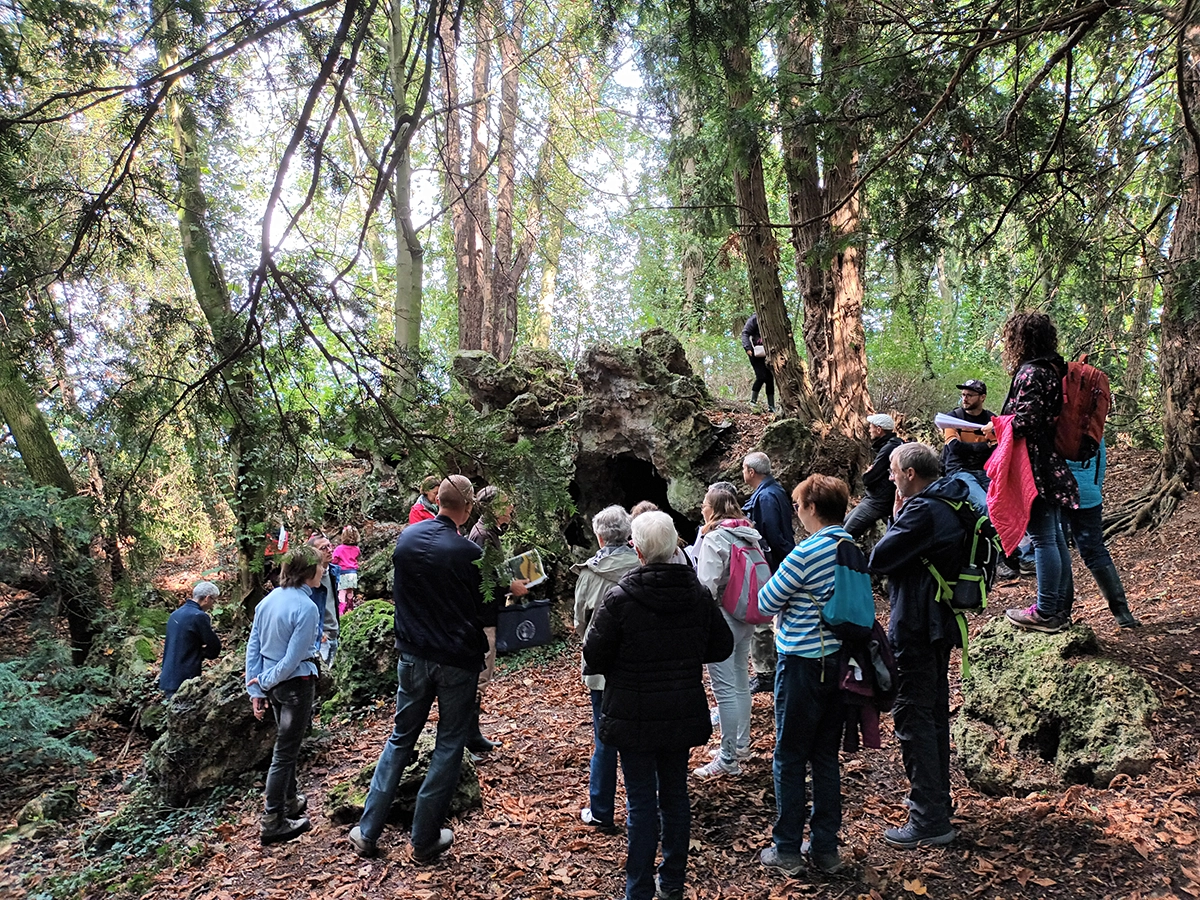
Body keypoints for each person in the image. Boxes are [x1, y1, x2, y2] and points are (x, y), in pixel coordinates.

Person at [582, 511, 733, 900]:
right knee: (675, 797)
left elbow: (593, 656)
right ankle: (672, 884)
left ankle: (639, 890)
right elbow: (721, 646)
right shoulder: (696, 593)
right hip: (680, 709)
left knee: (642, 803)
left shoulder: (620, 598)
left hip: (633, 714)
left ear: (638, 549)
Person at [350, 476, 492, 863]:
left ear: (438, 501)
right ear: (467, 508)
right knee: (448, 743)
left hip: (412, 654)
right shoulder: (466, 553)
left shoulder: (407, 539)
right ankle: (424, 838)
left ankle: (367, 831)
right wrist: (509, 593)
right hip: (455, 660)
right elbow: (483, 610)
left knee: (400, 738)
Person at [868, 443, 967, 849]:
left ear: (910, 473)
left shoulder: (922, 510)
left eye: (892, 470)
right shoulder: (951, 501)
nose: (889, 477)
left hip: (916, 625)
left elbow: (879, 557)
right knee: (932, 714)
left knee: (913, 716)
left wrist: (895, 517)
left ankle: (928, 817)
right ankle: (936, 803)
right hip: (938, 623)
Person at [754, 475, 852, 876]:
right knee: (825, 756)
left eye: (798, 506)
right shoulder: (851, 547)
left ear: (812, 508)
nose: (796, 512)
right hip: (841, 662)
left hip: (801, 664)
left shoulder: (806, 552)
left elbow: (766, 601)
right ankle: (826, 848)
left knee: (790, 756)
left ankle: (787, 848)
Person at [982, 312, 1079, 634]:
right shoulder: (1053, 370)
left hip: (1033, 467)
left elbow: (1027, 420)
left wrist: (994, 426)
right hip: (1050, 463)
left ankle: (1046, 611)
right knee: (1053, 539)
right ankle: (1059, 609)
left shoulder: (1030, 373)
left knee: (1042, 539)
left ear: (1019, 340)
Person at [245, 546, 324, 844]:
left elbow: (253, 648)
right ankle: (273, 819)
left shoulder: (268, 601)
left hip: (276, 686)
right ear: (307, 571)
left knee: (285, 747)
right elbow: (293, 658)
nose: (323, 570)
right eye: (319, 566)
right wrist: (262, 682)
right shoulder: (307, 608)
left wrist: (258, 688)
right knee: (285, 753)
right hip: (295, 684)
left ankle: (290, 801)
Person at [572, 505, 641, 834]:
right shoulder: (644, 564)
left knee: (605, 739)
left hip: (601, 669)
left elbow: (579, 623)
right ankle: (639, 810)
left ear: (599, 537)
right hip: (639, 666)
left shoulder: (589, 574)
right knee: (640, 736)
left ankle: (601, 810)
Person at [692, 486, 762, 779]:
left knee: (725, 691)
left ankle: (728, 758)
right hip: (745, 613)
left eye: (705, 504)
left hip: (722, 616)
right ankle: (741, 744)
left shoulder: (714, 538)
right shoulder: (748, 533)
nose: (702, 508)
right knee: (741, 681)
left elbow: (705, 585)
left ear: (714, 508)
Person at [466, 487, 530, 759]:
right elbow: (481, 578)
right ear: (491, 509)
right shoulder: (482, 535)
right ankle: (468, 740)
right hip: (482, 620)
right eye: (506, 503)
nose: (511, 508)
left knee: (482, 678)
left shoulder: (488, 533)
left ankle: (474, 735)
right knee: (478, 679)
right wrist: (510, 585)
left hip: (487, 616)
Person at [1064, 441, 1140, 627]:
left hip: (1058, 492)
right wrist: (1094, 489)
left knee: (1057, 550)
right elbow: (1101, 461)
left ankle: (1061, 613)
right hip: (1088, 493)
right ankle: (1123, 614)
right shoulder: (1092, 421)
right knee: (1095, 551)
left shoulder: (1052, 419)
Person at [742, 452, 794, 694]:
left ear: (751, 472)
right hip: (776, 560)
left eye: (744, 469)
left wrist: (773, 558)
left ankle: (767, 672)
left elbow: (772, 533)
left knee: (762, 617)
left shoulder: (766, 497)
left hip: (770, 562)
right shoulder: (774, 491)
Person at [844, 413, 904, 540]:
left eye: (871, 427)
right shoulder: (895, 444)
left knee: (844, 535)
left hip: (877, 503)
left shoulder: (889, 449)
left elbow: (868, 479)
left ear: (879, 429)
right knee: (841, 525)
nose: (869, 430)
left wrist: (867, 473)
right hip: (872, 499)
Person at [941, 379, 997, 514]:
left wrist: (969, 446)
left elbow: (996, 449)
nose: (965, 399)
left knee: (1000, 504)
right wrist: (984, 446)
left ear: (982, 397)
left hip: (986, 471)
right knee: (983, 505)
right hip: (960, 470)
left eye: (969, 395)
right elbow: (955, 447)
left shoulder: (991, 420)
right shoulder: (952, 418)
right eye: (963, 395)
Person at [160, 581, 222, 697]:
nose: (213, 605)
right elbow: (214, 645)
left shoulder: (175, 614)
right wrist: (202, 653)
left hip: (168, 675)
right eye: (214, 600)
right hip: (185, 677)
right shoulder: (199, 616)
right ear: (207, 598)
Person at [306, 533, 341, 665]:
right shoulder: (310, 580)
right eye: (323, 548)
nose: (329, 550)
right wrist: (318, 634)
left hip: (334, 634)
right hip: (321, 639)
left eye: (330, 546)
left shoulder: (333, 572)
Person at [740, 313, 775, 412]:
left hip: (768, 353)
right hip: (755, 352)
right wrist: (747, 348)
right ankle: (753, 401)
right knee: (761, 376)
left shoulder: (773, 317)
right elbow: (745, 333)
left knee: (769, 379)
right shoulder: (755, 318)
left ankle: (771, 406)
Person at [333, 526, 361, 616]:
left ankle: (340, 612)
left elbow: (334, 560)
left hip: (343, 573)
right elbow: (357, 557)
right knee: (350, 592)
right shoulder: (356, 549)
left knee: (342, 592)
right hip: (353, 573)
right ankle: (350, 609)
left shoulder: (339, 549)